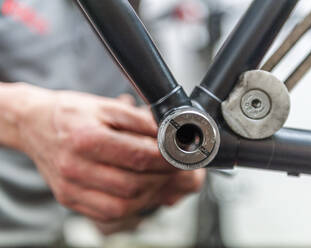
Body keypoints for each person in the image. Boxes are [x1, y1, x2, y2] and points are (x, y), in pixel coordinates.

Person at [0, 0, 205, 247]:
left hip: (49, 231)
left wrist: (136, 193)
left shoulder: (146, 43)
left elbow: (111, 221)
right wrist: (22, 117)